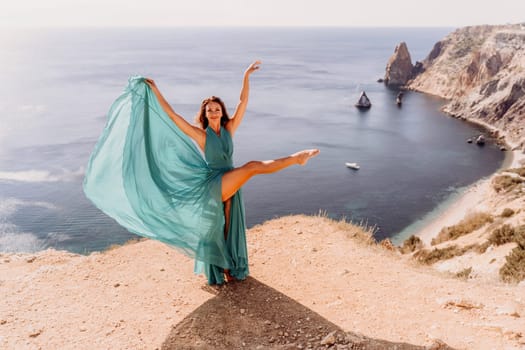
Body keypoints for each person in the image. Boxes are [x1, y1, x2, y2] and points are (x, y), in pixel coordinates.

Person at [83, 61, 319, 285]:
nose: (214, 112)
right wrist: (155, 91)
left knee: (226, 226)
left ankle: (228, 267)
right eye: (209, 110)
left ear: (221, 112)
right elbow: (174, 118)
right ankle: (297, 158)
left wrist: (246, 77)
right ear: (204, 114)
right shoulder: (202, 136)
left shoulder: (229, 128)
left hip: (230, 182)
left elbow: (243, 102)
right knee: (253, 166)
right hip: (215, 183)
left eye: (217, 109)